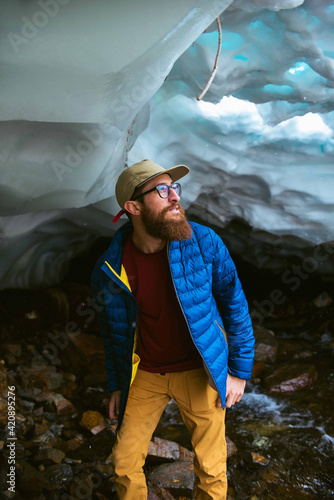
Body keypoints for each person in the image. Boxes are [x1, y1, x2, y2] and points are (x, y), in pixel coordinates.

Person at [91, 159, 254, 499]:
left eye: (175, 188)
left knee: (210, 468)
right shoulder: (110, 266)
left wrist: (239, 371)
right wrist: (116, 383)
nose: (174, 197)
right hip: (146, 373)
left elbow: (234, 304)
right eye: (162, 190)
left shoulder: (204, 242)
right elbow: (112, 330)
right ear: (133, 207)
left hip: (199, 369)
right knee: (122, 462)